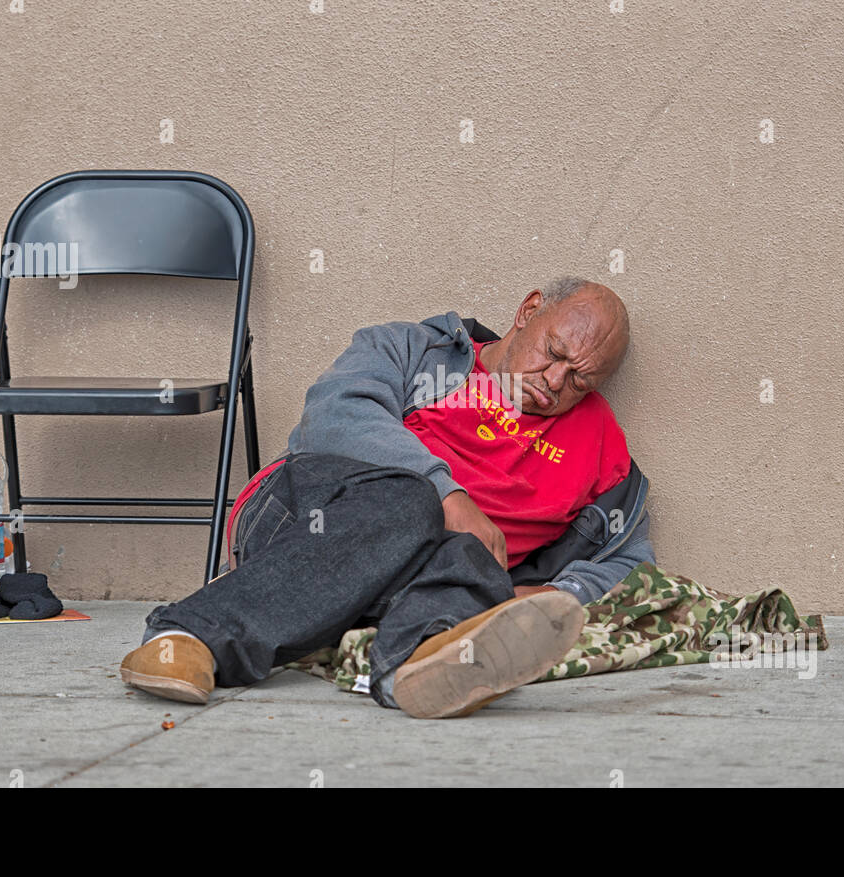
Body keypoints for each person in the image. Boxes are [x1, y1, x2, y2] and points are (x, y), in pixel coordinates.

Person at [119, 276, 654, 718]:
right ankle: (190, 635)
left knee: (469, 559)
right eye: (554, 352)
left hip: (434, 582)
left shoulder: (601, 443)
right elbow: (335, 418)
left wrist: (550, 594)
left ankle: (411, 670)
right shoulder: (410, 350)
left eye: (580, 380)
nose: (555, 380)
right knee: (412, 502)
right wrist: (449, 495)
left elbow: (630, 560)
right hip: (313, 528)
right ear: (528, 309)